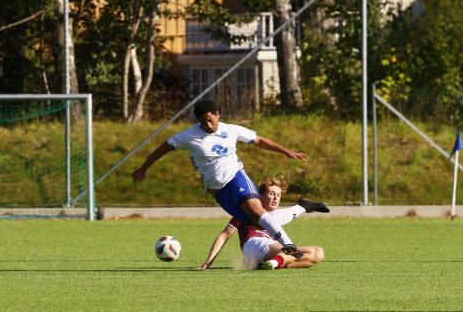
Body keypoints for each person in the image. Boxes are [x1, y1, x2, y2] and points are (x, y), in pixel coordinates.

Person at [132, 99, 307, 256]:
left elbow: (259, 140)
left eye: (211, 120)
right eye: (203, 122)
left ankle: (288, 245)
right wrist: (143, 168)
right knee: (257, 223)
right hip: (217, 189)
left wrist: (286, 151)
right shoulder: (189, 136)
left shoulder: (230, 130)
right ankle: (302, 207)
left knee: (256, 210)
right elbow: (165, 147)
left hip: (236, 176)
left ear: (217, 114)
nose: (208, 125)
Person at [199, 177, 329, 270]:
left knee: (318, 253)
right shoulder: (248, 211)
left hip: (271, 249)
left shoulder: (276, 217)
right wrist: (209, 261)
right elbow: (224, 235)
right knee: (289, 250)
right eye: (271, 193)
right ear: (260, 196)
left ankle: (273, 264)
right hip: (254, 244)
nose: (275, 198)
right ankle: (303, 207)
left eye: (278, 195)